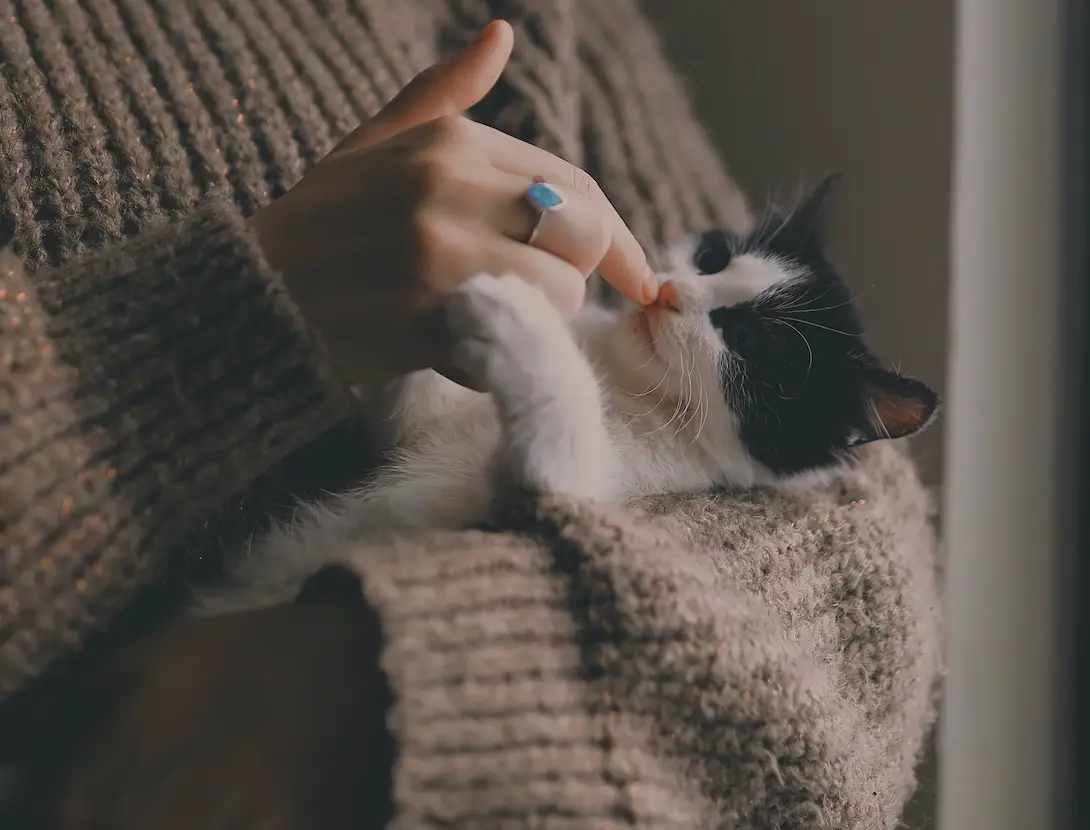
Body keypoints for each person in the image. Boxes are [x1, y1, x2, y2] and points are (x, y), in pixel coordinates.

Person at [0, 3, 942, 828]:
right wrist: (266, 302)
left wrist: (369, 683)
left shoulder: (552, 28)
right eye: (713, 258)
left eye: (733, 307)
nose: (685, 292)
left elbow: (861, 572)